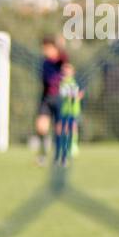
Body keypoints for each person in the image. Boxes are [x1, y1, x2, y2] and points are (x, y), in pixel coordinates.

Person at [34, 38, 67, 167]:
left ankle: (60, 156)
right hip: (46, 98)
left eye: (47, 48)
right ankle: (42, 154)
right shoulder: (44, 62)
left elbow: (64, 60)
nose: (45, 51)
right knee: (41, 127)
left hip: (59, 98)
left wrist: (61, 46)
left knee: (59, 129)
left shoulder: (61, 60)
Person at [54, 61, 83, 167]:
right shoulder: (62, 82)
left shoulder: (75, 82)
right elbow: (64, 94)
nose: (66, 72)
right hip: (64, 110)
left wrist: (77, 96)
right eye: (64, 70)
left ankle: (72, 146)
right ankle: (60, 154)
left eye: (68, 70)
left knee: (73, 128)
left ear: (73, 72)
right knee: (63, 130)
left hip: (74, 110)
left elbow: (79, 95)